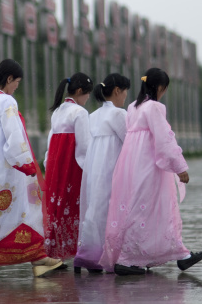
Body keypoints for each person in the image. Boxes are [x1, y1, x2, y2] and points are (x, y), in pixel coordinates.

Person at [99, 68, 202, 275]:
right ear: (159, 87)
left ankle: (174, 254)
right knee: (153, 208)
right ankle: (131, 260)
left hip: (132, 165)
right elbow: (164, 139)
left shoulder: (133, 107)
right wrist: (180, 166)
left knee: (140, 208)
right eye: (164, 88)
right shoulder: (154, 107)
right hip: (150, 166)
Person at [0, 59, 62, 281]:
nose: (17, 86)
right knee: (23, 211)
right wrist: (26, 164)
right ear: (9, 79)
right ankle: (33, 259)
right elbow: (14, 135)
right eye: (16, 82)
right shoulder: (7, 102)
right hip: (5, 168)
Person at [73, 73, 130, 273]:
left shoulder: (94, 115)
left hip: (94, 169)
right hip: (111, 169)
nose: (125, 97)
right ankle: (114, 256)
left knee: (95, 210)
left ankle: (90, 255)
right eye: (125, 93)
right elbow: (129, 143)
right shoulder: (119, 114)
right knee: (113, 209)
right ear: (117, 91)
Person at [43, 72, 93, 262]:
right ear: (80, 91)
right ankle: (76, 251)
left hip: (56, 167)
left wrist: (49, 166)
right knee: (73, 207)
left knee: (56, 207)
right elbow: (84, 146)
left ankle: (54, 253)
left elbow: (50, 142)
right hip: (71, 167)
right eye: (87, 94)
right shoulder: (80, 113)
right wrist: (89, 170)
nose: (88, 98)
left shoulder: (58, 111)